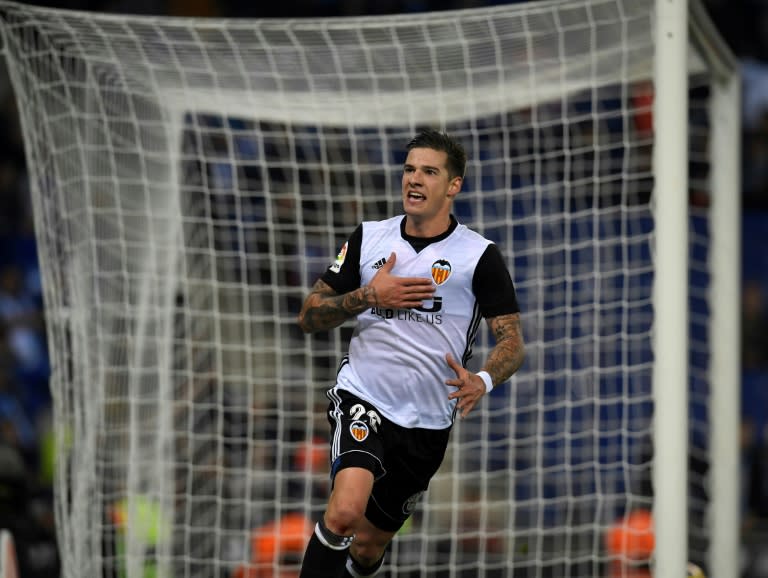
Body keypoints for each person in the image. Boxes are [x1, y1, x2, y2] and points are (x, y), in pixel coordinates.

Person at [296, 128, 525, 577]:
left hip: (427, 422)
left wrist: (483, 379)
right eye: (409, 169)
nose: (414, 180)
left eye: (429, 171)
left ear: (453, 185)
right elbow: (309, 315)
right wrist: (366, 295)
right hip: (364, 397)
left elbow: (513, 341)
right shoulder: (369, 239)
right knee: (344, 512)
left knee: (366, 547)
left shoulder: (479, 257)